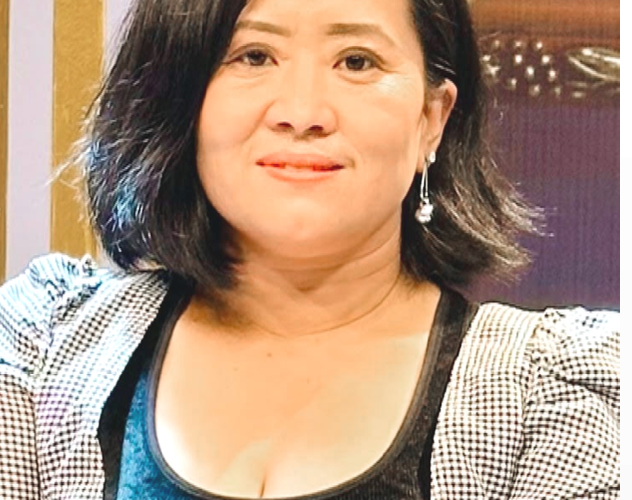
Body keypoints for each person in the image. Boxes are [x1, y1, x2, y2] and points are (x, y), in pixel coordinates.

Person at [0, 0, 619, 498]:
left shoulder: (552, 399)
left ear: (432, 118)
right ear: (182, 94)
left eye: (356, 61)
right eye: (254, 55)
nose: (302, 113)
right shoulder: (41, 351)